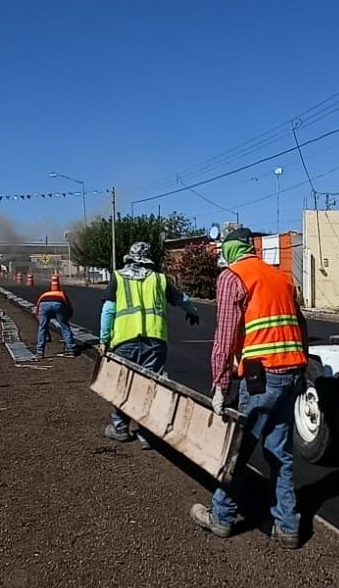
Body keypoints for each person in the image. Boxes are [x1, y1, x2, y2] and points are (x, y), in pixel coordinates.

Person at [189, 228, 308, 550]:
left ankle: (223, 517)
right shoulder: (280, 277)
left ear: (229, 250)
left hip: (261, 376)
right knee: (280, 453)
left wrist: (220, 384)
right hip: (292, 370)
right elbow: (301, 325)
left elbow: (225, 336)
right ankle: (287, 526)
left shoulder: (232, 277)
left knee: (237, 450)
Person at [99, 241, 200, 448]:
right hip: (155, 342)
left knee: (123, 386)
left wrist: (104, 339)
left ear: (130, 257)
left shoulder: (118, 277)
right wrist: (192, 311)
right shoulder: (159, 279)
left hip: (124, 342)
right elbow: (182, 299)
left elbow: (108, 311)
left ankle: (120, 428)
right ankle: (146, 434)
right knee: (150, 387)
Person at [33, 275, 76, 358]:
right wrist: (66, 318)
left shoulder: (44, 294)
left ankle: (39, 352)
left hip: (44, 304)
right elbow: (68, 307)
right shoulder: (61, 294)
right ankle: (71, 349)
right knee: (65, 327)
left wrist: (40, 321)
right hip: (58, 304)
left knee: (42, 328)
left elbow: (37, 310)